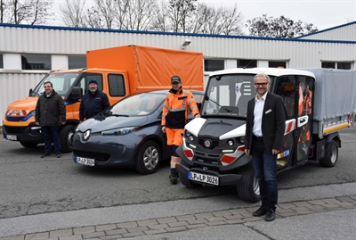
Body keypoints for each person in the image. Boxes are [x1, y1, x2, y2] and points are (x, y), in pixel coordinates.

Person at [244, 73, 286, 222]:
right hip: (255, 145)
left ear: (268, 84)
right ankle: (263, 205)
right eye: (257, 84)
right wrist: (247, 144)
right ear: (254, 85)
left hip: (269, 146)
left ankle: (271, 209)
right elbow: (249, 125)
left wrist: (277, 145)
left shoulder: (276, 100)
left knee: (270, 178)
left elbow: (281, 125)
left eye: (263, 83)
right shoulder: (250, 103)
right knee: (260, 177)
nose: (260, 86)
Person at [162, 75, 201, 184]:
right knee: (171, 151)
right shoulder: (168, 95)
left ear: (180, 83)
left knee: (176, 151)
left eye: (177, 83)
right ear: (171, 84)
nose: (175, 85)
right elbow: (165, 110)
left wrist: (196, 114)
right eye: (173, 83)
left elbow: (193, 104)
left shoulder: (186, 94)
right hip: (169, 127)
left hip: (179, 127)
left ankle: (174, 173)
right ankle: (175, 171)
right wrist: (163, 125)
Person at [35, 81, 66, 158]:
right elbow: (37, 109)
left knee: (56, 137)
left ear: (52, 87)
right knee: (46, 138)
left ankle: (58, 152)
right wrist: (37, 119)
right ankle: (47, 152)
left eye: (48, 86)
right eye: (45, 87)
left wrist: (63, 119)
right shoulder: (41, 97)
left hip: (54, 121)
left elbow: (62, 109)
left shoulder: (57, 97)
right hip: (44, 122)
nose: (47, 88)